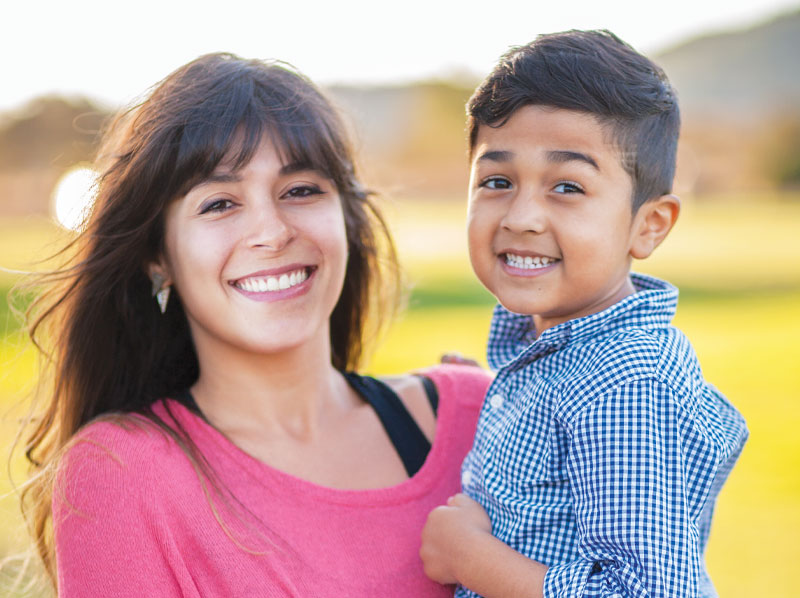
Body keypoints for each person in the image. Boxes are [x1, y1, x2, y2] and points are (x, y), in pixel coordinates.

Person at [19, 53, 491, 597]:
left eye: (301, 190)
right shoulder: (122, 473)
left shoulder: (479, 416)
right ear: (159, 258)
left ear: (347, 219)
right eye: (219, 203)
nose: (271, 231)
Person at [419, 30, 748, 598]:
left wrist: (472, 560)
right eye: (497, 181)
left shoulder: (624, 383)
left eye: (567, 186)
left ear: (649, 225)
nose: (521, 216)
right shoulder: (564, 354)